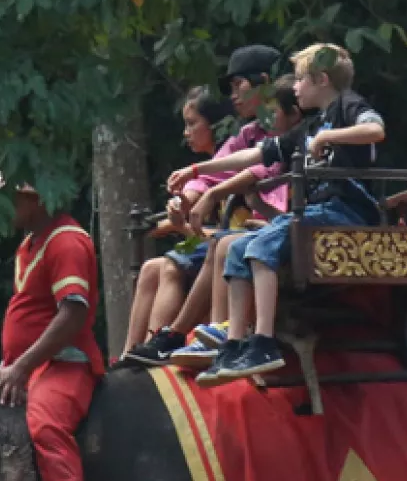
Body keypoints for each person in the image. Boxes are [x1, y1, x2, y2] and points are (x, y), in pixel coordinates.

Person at [166, 43, 386, 385]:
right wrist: (197, 170)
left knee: (260, 246)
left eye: (299, 80)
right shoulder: (308, 128)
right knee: (238, 250)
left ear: (322, 79)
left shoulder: (348, 105)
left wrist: (330, 136)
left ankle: (264, 341)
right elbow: (252, 157)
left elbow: (375, 130)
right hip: (316, 213)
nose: (294, 87)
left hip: (346, 212)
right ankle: (236, 343)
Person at [119, 44, 288, 367]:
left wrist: (210, 194)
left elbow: (265, 168)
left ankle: (189, 336)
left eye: (237, 85)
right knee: (160, 264)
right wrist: (188, 196)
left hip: (276, 226)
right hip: (251, 232)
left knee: (215, 247)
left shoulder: (289, 127)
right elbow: (219, 168)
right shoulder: (249, 132)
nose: (232, 95)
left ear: (264, 81)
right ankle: (137, 350)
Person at [0, 181, 104, 481]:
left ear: (37, 198)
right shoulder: (30, 244)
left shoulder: (67, 242)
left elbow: (71, 313)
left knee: (46, 424)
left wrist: (20, 367)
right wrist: (10, 365)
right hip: (30, 366)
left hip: (65, 364)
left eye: (12, 197)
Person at [119, 85, 228, 361]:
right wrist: (176, 215)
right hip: (217, 244)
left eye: (192, 124)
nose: (185, 133)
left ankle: (156, 344)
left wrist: (178, 225)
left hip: (236, 243)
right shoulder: (217, 165)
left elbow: (220, 229)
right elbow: (196, 191)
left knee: (171, 263)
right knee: (150, 268)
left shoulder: (233, 160)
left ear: (214, 124)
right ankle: (129, 353)